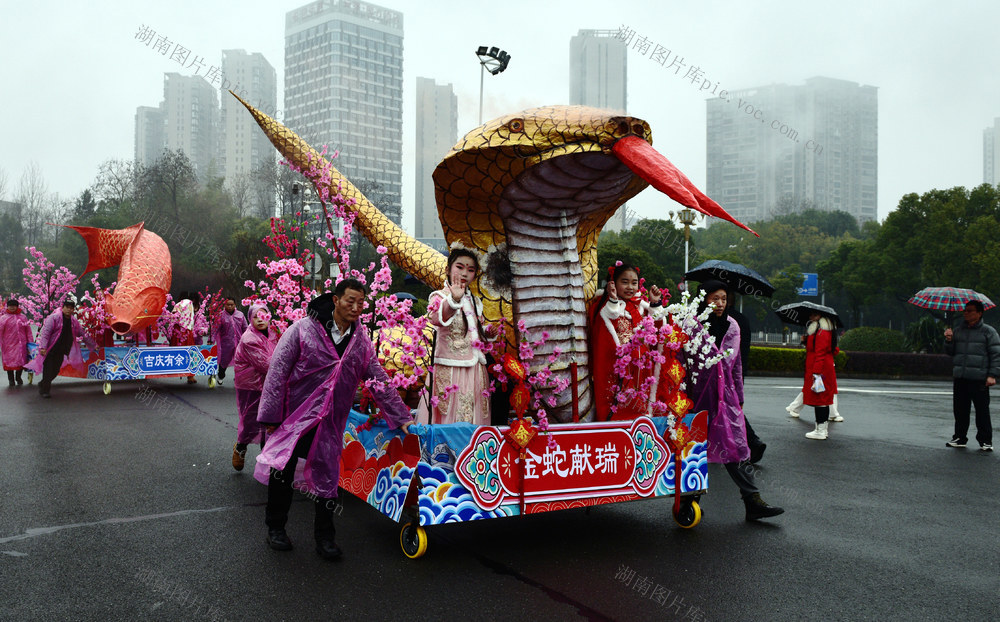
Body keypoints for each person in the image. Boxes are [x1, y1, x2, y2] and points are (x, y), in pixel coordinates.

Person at [255, 281, 414, 559]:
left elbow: (377, 379)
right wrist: (271, 415)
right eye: (350, 301)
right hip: (294, 416)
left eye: (360, 303)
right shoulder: (302, 330)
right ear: (336, 300)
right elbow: (277, 371)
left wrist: (401, 416)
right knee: (283, 471)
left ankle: (325, 538)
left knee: (327, 476)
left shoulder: (360, 341)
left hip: (330, 420)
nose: (355, 308)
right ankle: (275, 528)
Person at [686, 281, 783, 521]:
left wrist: (739, 397)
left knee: (735, 447)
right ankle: (688, 502)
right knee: (696, 448)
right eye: (714, 299)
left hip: (726, 397)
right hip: (698, 396)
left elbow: (736, 365)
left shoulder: (733, 326)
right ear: (704, 300)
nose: (720, 304)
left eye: (723, 298)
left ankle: (752, 500)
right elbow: (681, 360)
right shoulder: (691, 325)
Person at [420, 247, 491, 425]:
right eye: (460, 267)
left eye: (470, 270)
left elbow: (477, 332)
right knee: (448, 414)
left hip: (475, 369)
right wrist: (454, 300)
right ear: (448, 269)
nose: (465, 273)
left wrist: (488, 333)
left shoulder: (475, 301)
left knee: (474, 415)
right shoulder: (439, 296)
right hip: (450, 367)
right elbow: (437, 318)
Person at [588, 263, 665, 421]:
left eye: (634, 283)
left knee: (642, 416)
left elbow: (658, 334)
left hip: (642, 373)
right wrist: (613, 300)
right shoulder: (605, 309)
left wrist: (655, 304)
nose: (630, 287)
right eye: (624, 282)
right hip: (620, 375)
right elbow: (603, 341)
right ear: (613, 283)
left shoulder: (641, 308)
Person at [943, 300, 999, 451]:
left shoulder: (988, 332)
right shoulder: (958, 330)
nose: (966, 313)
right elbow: (950, 352)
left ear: (979, 313)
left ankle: (985, 441)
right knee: (960, 410)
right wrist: (948, 340)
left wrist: (992, 375)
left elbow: (996, 355)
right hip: (961, 377)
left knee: (982, 411)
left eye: (970, 311)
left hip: (979, 378)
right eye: (965, 310)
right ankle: (960, 437)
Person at [231, 304, 279, 471]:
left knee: (270, 421)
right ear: (250, 319)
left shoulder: (275, 333)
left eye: (263, 316)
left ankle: (266, 462)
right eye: (255, 316)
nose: (260, 319)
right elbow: (267, 365)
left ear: (269, 317)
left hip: (271, 385)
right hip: (250, 387)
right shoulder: (249, 339)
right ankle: (241, 446)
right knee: (250, 421)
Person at [26, 299, 97, 398]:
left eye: (71, 308)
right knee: (48, 370)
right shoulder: (54, 318)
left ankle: (43, 383)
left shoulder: (73, 321)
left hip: (61, 350)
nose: (69, 310)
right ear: (63, 307)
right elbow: (46, 334)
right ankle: (45, 391)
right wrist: (43, 347)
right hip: (50, 349)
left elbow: (82, 333)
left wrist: (93, 344)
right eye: (67, 307)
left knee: (55, 371)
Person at [726, 292, 767, 463]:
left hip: (727, 373)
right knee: (731, 408)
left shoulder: (727, 320)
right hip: (739, 371)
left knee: (730, 409)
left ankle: (751, 442)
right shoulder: (742, 319)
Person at [802, 311, 839, 440]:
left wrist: (816, 372)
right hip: (822, 369)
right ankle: (821, 429)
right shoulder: (824, 330)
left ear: (820, 316)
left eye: (813, 315)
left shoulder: (821, 332)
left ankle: (821, 430)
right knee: (822, 399)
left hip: (820, 370)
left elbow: (820, 353)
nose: (810, 317)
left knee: (820, 400)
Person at [213, 296, 247, 384]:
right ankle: (221, 375)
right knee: (224, 361)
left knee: (240, 361)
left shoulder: (240, 315)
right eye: (228, 305)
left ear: (235, 305)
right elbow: (215, 329)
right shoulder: (220, 315)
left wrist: (247, 339)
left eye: (232, 304)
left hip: (239, 343)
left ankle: (238, 378)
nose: (230, 306)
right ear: (225, 305)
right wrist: (211, 340)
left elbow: (245, 328)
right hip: (226, 344)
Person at [0, 299, 32, 387]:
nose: (12, 307)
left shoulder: (23, 317)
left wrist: (30, 342)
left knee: (21, 361)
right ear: (7, 307)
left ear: (17, 306)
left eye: (14, 306)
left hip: (21, 344)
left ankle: (18, 377)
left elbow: (28, 330)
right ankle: (11, 379)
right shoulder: (3, 318)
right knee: (9, 362)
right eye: (10, 306)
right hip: (8, 344)